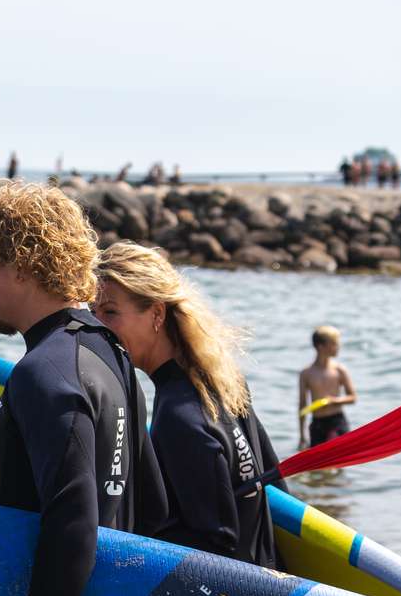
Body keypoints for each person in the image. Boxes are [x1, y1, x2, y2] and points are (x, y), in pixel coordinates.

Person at [0, 182, 168, 596]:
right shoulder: (109, 352)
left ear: (24, 267)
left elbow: (74, 521)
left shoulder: (46, 374)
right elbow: (150, 503)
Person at [94, 242, 285, 569]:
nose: (98, 327)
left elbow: (216, 543)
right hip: (268, 575)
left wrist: (121, 542)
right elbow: (274, 488)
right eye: (93, 313)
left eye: (110, 313)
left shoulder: (179, 417)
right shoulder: (224, 382)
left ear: (156, 314)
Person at [298, 325, 356, 449]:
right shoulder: (306, 373)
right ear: (321, 347)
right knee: (318, 465)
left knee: (341, 461)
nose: (338, 347)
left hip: (337, 421)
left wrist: (334, 401)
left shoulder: (339, 370)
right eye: (334, 344)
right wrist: (302, 435)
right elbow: (302, 406)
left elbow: (353, 397)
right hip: (317, 423)